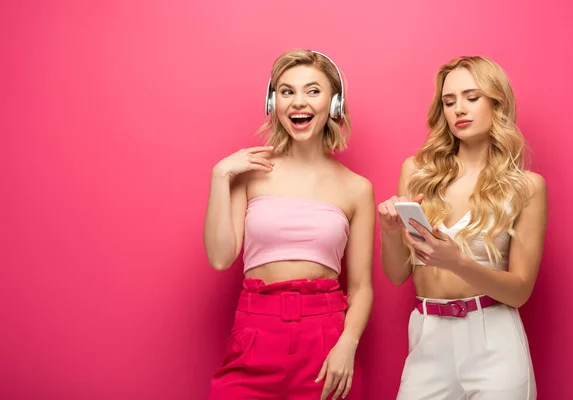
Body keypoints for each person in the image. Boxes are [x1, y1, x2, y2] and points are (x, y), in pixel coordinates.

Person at [204, 49, 374, 400]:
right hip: (254, 331)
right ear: (273, 102)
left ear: (335, 104)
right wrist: (220, 176)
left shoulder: (357, 188)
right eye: (286, 91)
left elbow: (360, 288)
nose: (299, 102)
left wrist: (348, 344)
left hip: (326, 340)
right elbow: (221, 258)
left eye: (313, 91)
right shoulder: (248, 173)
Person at [378, 56, 548, 400]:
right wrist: (389, 231)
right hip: (428, 335)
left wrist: (456, 261)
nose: (459, 109)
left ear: (496, 102)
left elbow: (519, 292)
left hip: (493, 339)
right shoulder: (417, 171)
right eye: (449, 101)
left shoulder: (526, 187)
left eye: (472, 97)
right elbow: (397, 276)